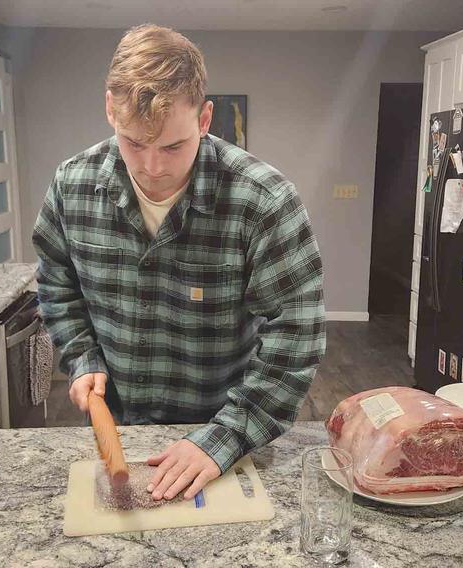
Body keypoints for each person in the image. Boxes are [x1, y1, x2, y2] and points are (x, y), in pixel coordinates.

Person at [32, 24, 325, 503]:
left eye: (172, 146)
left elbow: (297, 337)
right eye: (132, 142)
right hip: (117, 431)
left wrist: (225, 437)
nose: (152, 166)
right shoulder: (72, 185)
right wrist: (81, 355)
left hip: (222, 433)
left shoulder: (264, 201)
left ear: (205, 118)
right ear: (110, 109)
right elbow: (57, 284)